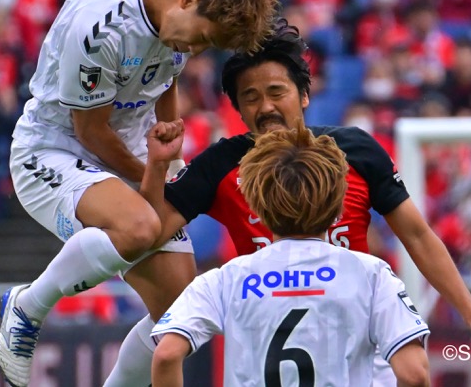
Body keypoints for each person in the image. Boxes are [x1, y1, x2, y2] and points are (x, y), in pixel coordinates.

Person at [104, 23, 471, 387]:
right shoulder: (221, 163)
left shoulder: (354, 149)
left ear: (303, 95)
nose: (265, 106)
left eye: (276, 92)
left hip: (357, 343)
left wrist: (470, 310)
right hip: (265, 333)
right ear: (237, 108)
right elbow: (152, 230)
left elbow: (415, 232)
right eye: (250, 97)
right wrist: (157, 167)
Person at [0, 0, 277, 387]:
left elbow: (165, 77)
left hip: (123, 149)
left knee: (179, 311)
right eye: (199, 39)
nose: (195, 51)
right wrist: (155, 174)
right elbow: (90, 131)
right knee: (141, 225)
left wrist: (168, 144)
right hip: (51, 150)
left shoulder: (178, 12)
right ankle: (28, 306)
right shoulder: (101, 28)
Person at [151, 127, 432, 387]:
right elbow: (414, 374)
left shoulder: (225, 278)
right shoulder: (372, 275)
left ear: (258, 207)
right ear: (337, 207)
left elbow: (166, 355)